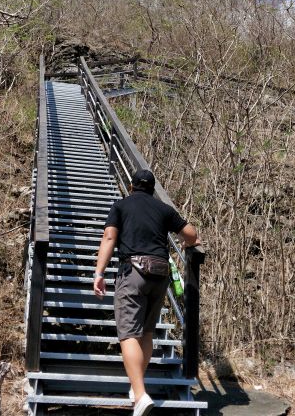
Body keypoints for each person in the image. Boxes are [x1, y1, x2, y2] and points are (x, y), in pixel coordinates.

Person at [93, 168, 201, 416]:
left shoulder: (120, 206)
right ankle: (137, 385)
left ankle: (140, 395)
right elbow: (191, 234)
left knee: (128, 332)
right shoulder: (163, 209)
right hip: (160, 274)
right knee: (147, 332)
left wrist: (99, 273)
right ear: (152, 189)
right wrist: (189, 243)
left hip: (133, 272)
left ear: (131, 186)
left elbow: (109, 237)